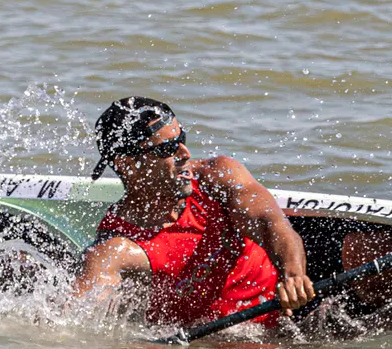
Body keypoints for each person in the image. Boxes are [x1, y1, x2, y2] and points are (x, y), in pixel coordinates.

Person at [73, 97, 315, 331]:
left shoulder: (217, 177)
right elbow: (75, 325)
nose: (185, 154)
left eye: (182, 139)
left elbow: (272, 224)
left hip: (290, 317)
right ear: (128, 165)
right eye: (168, 148)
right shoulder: (115, 250)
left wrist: (293, 276)